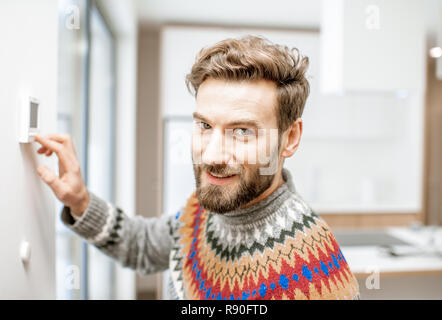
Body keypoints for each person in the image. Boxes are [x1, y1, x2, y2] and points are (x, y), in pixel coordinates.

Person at [34, 35, 360, 300]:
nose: (212, 156)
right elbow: (145, 245)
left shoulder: (316, 282)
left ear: (290, 138)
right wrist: (79, 202)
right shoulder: (209, 205)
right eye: (204, 126)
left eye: (242, 131)